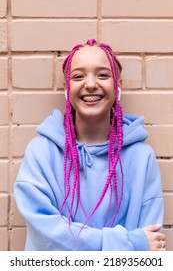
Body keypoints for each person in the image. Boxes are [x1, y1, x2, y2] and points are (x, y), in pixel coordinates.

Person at [14, 39, 166, 251]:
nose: (91, 84)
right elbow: (46, 238)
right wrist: (129, 244)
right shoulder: (41, 153)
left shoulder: (142, 157)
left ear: (117, 85)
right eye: (78, 76)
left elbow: (152, 243)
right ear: (67, 88)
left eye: (103, 75)